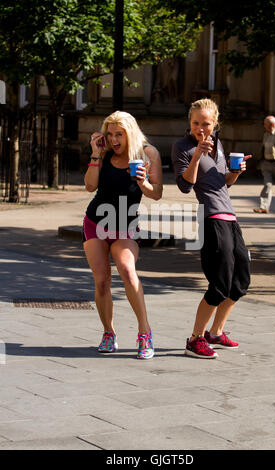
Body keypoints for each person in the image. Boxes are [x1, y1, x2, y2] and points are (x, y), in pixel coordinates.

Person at [171, 98, 251, 359]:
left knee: (240, 282)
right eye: (195, 123)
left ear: (215, 123)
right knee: (219, 283)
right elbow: (185, 185)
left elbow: (223, 182)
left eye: (206, 123)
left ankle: (215, 333)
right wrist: (197, 155)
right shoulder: (182, 147)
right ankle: (194, 340)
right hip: (210, 218)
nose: (200, 128)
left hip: (230, 217)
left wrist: (236, 173)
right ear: (189, 122)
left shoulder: (218, 145)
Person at [83, 110, 163, 359]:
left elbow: (157, 193)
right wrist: (96, 155)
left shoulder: (148, 153)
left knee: (128, 271)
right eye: (110, 134)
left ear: (130, 133)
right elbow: (89, 186)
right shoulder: (104, 152)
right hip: (95, 222)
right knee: (102, 281)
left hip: (125, 224)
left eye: (120, 134)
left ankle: (144, 332)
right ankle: (109, 332)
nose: (115, 139)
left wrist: (143, 183)